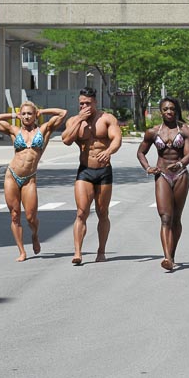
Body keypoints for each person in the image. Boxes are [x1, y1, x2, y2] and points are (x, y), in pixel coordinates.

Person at [0, 102, 67, 262]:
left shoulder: (44, 130)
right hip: (12, 175)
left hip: (29, 178)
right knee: (15, 215)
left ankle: (34, 235)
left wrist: (42, 111)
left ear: (35, 115)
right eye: (23, 114)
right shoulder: (14, 131)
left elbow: (62, 113)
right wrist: (14, 115)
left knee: (31, 217)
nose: (26, 117)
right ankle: (22, 251)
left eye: (29, 114)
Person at [61, 87, 122, 265]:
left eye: (88, 103)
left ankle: (101, 251)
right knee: (81, 212)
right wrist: (79, 120)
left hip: (104, 171)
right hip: (85, 170)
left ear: (95, 102)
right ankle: (77, 253)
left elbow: (117, 139)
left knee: (103, 212)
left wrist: (109, 151)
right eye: (81, 104)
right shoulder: (74, 120)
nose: (84, 106)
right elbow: (66, 140)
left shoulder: (107, 119)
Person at [137, 97, 189, 271]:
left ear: (176, 110)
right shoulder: (153, 132)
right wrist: (147, 167)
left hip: (180, 175)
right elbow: (141, 152)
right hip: (162, 175)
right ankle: (167, 257)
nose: (169, 111)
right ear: (161, 112)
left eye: (172, 108)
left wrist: (180, 164)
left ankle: (172, 254)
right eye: (165, 109)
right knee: (165, 218)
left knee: (176, 218)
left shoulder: (186, 131)